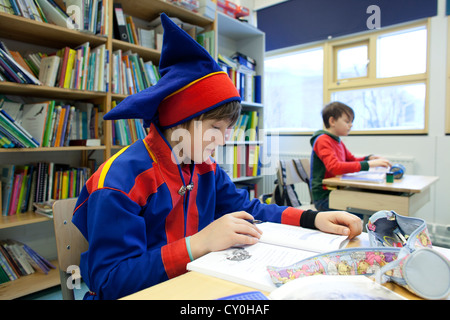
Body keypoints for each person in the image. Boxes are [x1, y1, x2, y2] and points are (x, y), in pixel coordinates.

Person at [72, 14, 362, 300]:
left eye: (228, 130)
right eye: (216, 128)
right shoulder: (121, 181)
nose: (224, 140)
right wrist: (199, 243)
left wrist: (314, 218)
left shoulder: (203, 166)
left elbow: (251, 210)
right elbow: (110, 283)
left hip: (194, 284)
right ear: (178, 120)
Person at [310, 101, 391, 211]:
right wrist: (369, 164)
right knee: (368, 209)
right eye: (347, 121)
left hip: (336, 191)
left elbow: (351, 160)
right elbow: (335, 168)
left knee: (371, 205)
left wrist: (369, 158)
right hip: (325, 197)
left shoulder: (337, 141)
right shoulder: (323, 140)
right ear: (332, 121)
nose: (351, 125)